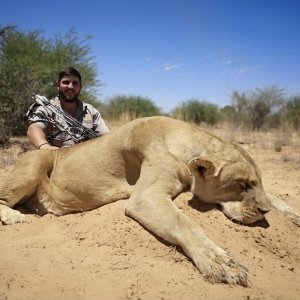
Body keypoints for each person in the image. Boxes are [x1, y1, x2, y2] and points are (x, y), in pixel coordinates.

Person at [27, 67, 110, 150]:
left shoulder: (91, 111)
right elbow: (34, 128)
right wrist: (45, 146)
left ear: (80, 87)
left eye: (75, 83)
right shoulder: (46, 109)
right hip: (58, 159)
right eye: (66, 82)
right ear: (58, 85)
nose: (70, 86)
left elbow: (106, 136)